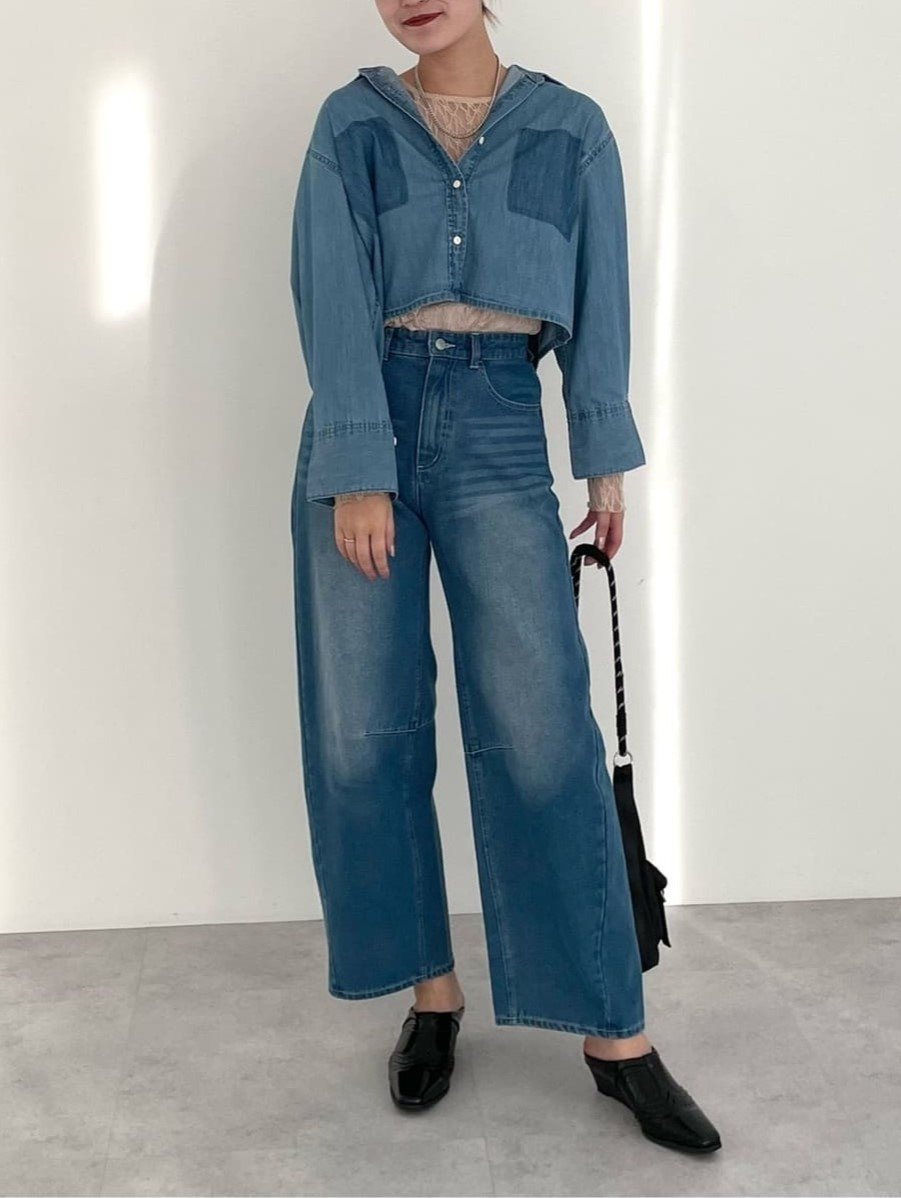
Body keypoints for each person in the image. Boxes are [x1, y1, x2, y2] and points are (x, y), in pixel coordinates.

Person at [289, 0, 721, 1154]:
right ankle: (432, 995)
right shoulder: (350, 127)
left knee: (540, 734)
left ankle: (615, 1035)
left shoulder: (569, 128)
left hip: (498, 425)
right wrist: (359, 466)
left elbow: (599, 296)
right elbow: (330, 292)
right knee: (365, 734)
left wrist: (603, 461)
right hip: (364, 420)